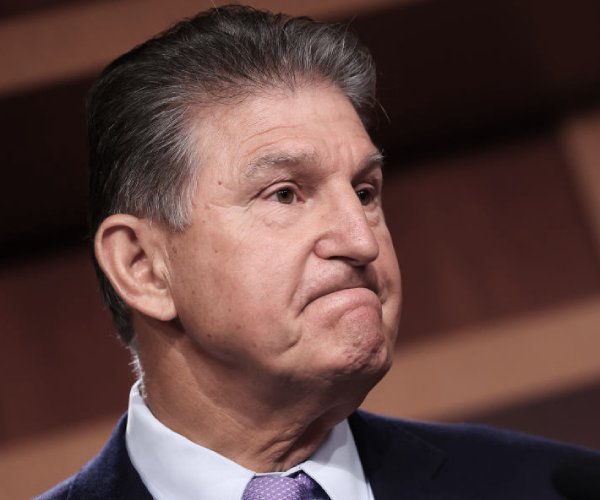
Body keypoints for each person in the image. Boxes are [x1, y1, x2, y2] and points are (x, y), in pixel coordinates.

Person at [40, 5, 599, 500]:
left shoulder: (556, 487)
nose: (361, 241)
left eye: (365, 193)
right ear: (143, 268)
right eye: (285, 194)